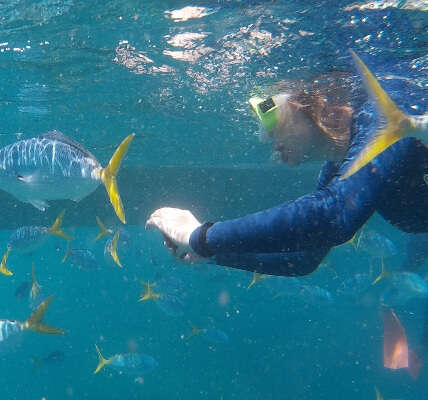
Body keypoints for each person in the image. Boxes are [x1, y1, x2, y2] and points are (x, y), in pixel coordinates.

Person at [146, 51, 427, 351]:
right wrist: (213, 253)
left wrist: (201, 237)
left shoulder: (389, 116)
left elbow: (332, 217)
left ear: (316, 104)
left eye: (270, 113)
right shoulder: (341, 164)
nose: (265, 136)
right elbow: (305, 257)